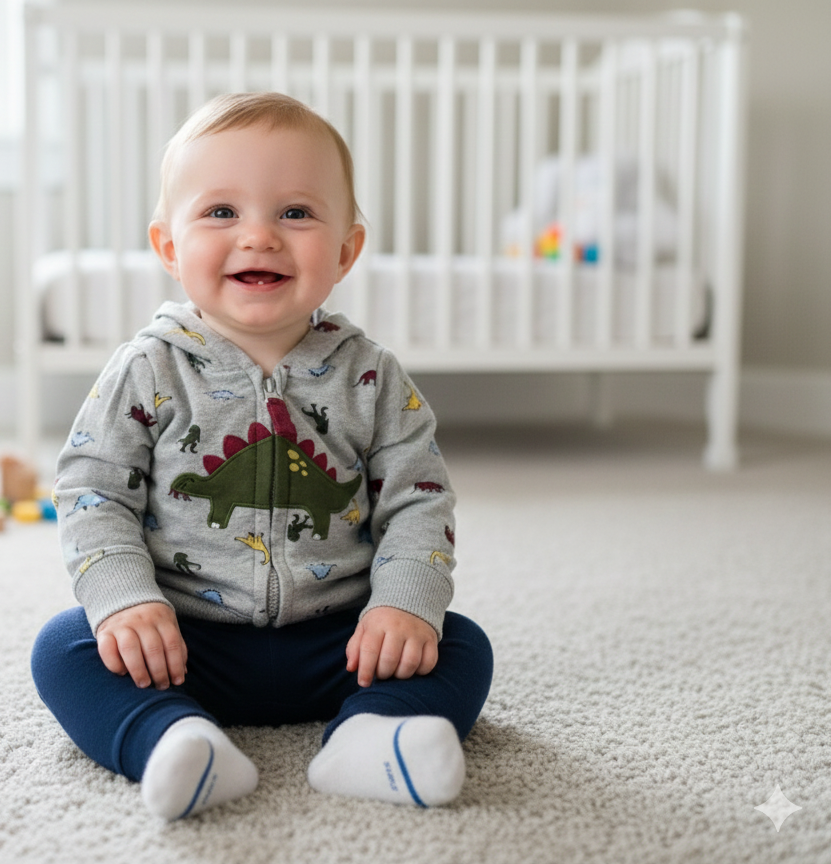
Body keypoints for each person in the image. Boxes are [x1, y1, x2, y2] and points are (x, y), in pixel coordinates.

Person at [31, 92, 492, 820]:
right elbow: (93, 491)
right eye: (221, 213)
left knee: (459, 645)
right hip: (183, 641)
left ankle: (370, 738)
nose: (259, 237)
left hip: (341, 639)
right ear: (169, 247)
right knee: (64, 648)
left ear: (345, 250)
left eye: (296, 213)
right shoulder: (147, 368)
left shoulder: (370, 375)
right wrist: (126, 601)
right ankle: (173, 740)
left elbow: (419, 498)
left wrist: (403, 607)